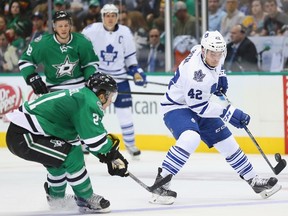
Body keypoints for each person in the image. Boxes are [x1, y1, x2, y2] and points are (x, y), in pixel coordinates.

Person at [148, 30, 281, 205]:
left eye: (219, 54)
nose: (216, 58)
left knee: (226, 140)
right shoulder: (196, 75)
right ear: (204, 51)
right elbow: (200, 108)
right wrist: (230, 113)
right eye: (212, 54)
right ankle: (161, 182)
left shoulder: (210, 51)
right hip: (176, 107)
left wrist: (221, 75)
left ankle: (253, 180)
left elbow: (214, 63)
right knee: (191, 137)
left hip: (198, 103)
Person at [5, 72, 129, 213]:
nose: (111, 102)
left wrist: (106, 156)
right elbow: (96, 141)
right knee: (71, 155)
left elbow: (82, 140)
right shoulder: (89, 102)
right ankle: (85, 198)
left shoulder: (82, 97)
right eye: (111, 97)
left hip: (26, 133)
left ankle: (56, 199)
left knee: (61, 157)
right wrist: (113, 154)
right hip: (24, 137)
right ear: (102, 95)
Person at [18, 11, 100, 153]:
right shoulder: (43, 43)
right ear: (54, 27)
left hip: (79, 88)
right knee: (60, 126)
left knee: (82, 119)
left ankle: (85, 141)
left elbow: (90, 63)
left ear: (70, 26)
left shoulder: (82, 41)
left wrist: (91, 77)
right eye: (60, 26)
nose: (63, 28)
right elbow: (25, 61)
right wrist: (32, 77)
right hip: (55, 90)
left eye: (66, 25)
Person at [82, 4, 147, 158]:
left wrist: (136, 72)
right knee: (89, 112)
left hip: (119, 79)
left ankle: (130, 145)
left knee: (125, 114)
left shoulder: (125, 32)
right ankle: (85, 143)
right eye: (107, 15)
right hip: (98, 80)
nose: (110, 18)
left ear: (117, 17)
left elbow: (130, 58)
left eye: (113, 15)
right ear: (102, 16)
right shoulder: (91, 31)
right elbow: (81, 51)